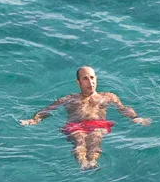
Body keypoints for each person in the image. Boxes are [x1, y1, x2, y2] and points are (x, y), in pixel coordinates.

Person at [20, 66, 151, 170]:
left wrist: (135, 117)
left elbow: (123, 108)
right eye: (85, 79)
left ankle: (92, 162)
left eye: (92, 77)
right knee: (79, 139)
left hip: (98, 124)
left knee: (96, 136)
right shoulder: (69, 98)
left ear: (96, 78)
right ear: (78, 82)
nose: (90, 82)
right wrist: (35, 120)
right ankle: (83, 163)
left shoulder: (108, 96)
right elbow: (48, 110)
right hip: (75, 126)